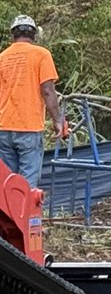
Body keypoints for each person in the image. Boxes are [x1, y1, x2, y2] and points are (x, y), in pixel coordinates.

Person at [0, 15, 68, 188]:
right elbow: (47, 91)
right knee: (27, 184)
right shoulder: (41, 55)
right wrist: (58, 120)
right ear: (34, 34)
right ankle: (26, 207)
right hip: (28, 127)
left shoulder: (2, 58)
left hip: (4, 127)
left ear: (13, 35)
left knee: (7, 183)